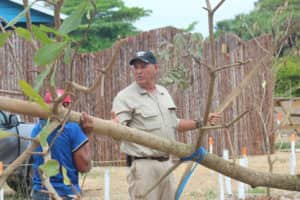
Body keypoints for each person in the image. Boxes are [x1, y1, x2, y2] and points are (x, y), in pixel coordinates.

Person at [112, 51, 219, 200]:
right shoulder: (125, 97)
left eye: (143, 66)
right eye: (136, 67)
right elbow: (117, 131)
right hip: (143, 167)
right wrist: (113, 127)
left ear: (156, 68)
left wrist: (201, 122)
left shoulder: (163, 93)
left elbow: (174, 123)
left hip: (167, 164)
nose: (139, 71)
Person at [31, 89, 94, 200]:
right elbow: (84, 166)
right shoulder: (71, 129)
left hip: (39, 193)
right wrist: (87, 133)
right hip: (65, 194)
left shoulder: (36, 130)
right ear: (66, 105)